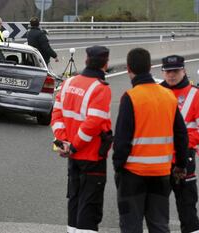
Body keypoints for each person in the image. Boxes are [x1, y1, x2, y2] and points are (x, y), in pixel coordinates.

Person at [113, 48, 189, 233]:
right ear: (151, 67)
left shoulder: (131, 97)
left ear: (128, 69)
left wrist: (118, 166)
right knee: (159, 225)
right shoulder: (168, 96)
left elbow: (122, 139)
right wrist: (180, 164)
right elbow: (181, 134)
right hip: (162, 173)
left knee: (131, 225)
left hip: (133, 173)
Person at [51, 45, 112, 233]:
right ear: (105, 64)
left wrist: (64, 144)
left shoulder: (68, 83)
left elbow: (56, 115)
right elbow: (92, 124)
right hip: (91, 157)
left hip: (72, 155)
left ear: (86, 60)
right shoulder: (100, 89)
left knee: (75, 200)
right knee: (90, 206)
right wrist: (75, 146)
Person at [160, 55, 199, 233]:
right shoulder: (156, 92)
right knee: (156, 212)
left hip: (184, 161)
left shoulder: (197, 95)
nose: (171, 75)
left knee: (187, 210)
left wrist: (184, 142)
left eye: (175, 71)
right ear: (163, 72)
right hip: (157, 161)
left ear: (184, 70)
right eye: (168, 71)